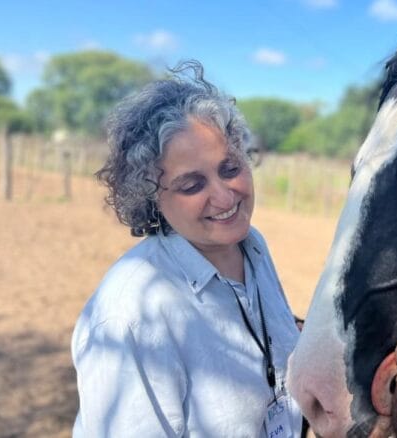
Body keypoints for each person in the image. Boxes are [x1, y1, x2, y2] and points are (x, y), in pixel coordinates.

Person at [71, 61, 303, 437]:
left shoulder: (252, 245)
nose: (225, 196)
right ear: (150, 198)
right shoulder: (131, 315)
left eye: (230, 168)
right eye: (192, 185)